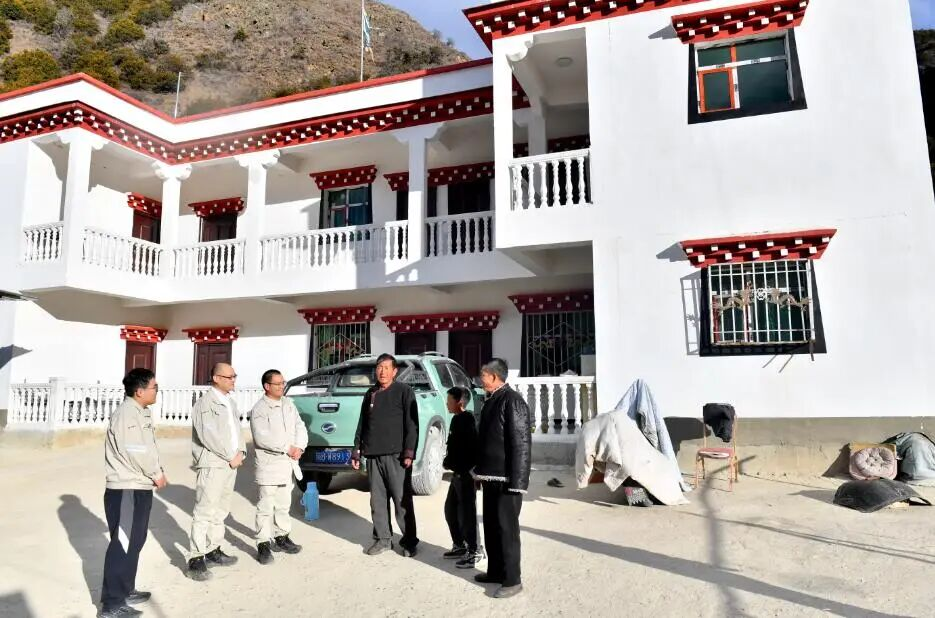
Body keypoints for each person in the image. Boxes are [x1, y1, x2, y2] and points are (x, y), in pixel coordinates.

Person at [99, 368, 167, 618]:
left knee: (135, 541)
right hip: (126, 487)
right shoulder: (127, 414)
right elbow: (135, 450)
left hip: (138, 485)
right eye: (154, 387)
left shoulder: (140, 412)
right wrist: (156, 473)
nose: (156, 391)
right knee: (123, 543)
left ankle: (126, 589)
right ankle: (112, 604)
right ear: (139, 391)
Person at [472, 358, 532, 599]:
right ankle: (496, 571)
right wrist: (479, 472)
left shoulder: (512, 401)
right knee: (492, 527)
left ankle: (513, 579)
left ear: (494, 376)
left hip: (507, 480)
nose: (481, 380)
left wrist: (518, 483)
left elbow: (521, 444)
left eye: (483, 376)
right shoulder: (492, 400)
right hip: (490, 477)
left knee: (507, 530)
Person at [351, 353, 419, 557]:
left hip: (397, 456)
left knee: (401, 500)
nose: (382, 372)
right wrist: (357, 450)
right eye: (379, 367)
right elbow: (363, 423)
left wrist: (409, 452)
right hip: (373, 455)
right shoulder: (370, 393)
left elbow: (412, 425)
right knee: (377, 501)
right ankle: (383, 539)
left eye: (386, 368)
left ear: (394, 371)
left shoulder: (404, 391)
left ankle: (409, 541)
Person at [186, 362, 246, 581]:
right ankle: (196, 558)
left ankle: (213, 549)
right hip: (213, 463)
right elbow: (208, 435)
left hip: (231, 463)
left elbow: (237, 432)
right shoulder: (205, 404)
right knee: (205, 511)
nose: (233, 380)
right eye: (229, 376)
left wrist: (241, 452)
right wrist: (230, 455)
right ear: (216, 378)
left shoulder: (230, 402)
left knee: (221, 510)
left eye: (234, 376)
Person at [250, 369, 307, 565]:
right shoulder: (260, 409)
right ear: (267, 386)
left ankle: (282, 536)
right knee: (265, 506)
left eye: (283, 383)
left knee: (284, 504)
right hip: (269, 464)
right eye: (278, 383)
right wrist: (287, 448)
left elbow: (300, 426)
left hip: (287, 463)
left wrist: (300, 446)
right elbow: (262, 437)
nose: (282, 386)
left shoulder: (288, 404)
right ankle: (263, 543)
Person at [442, 386, 483, 569]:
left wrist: (472, 473)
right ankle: (460, 545)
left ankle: (475, 550)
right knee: (450, 510)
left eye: (449, 400)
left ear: (459, 402)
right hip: (456, 474)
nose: (447, 404)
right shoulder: (456, 419)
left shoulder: (468, 420)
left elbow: (473, 449)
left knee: (467, 514)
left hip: (466, 475)